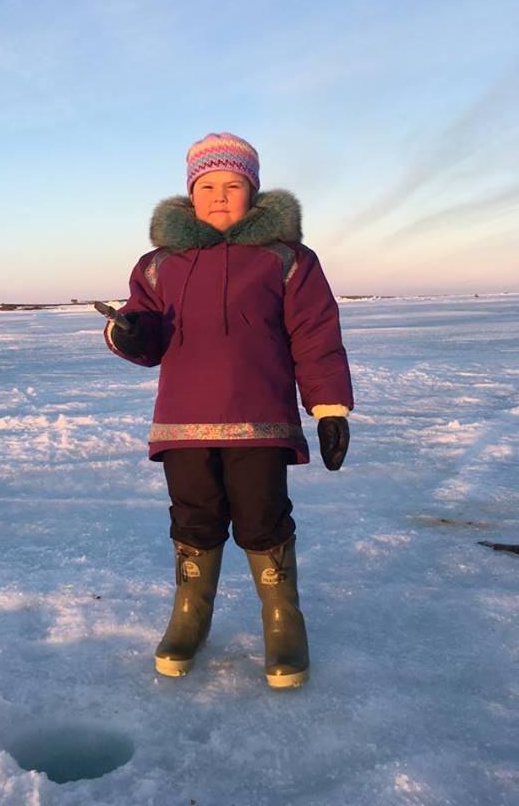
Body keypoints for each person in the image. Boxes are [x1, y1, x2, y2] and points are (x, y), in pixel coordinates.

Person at [102, 132, 353, 689]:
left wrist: (329, 406)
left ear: (253, 191)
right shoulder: (157, 265)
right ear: (191, 193)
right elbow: (142, 338)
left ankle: (283, 620)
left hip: (259, 418)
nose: (219, 196)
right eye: (208, 185)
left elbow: (314, 335)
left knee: (263, 518)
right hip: (182, 421)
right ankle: (190, 616)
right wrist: (128, 331)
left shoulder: (287, 259)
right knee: (194, 517)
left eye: (232, 185)